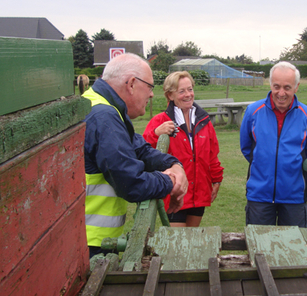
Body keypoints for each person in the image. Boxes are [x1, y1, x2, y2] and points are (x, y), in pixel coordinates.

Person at [82, 53, 188, 258]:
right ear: (131, 84)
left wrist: (173, 164)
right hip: (91, 242)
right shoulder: (105, 117)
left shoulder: (105, 107)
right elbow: (130, 182)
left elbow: (139, 149)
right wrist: (170, 181)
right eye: (149, 87)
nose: (151, 95)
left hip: (95, 237)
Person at [240, 61, 307, 227]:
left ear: (296, 87)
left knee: (294, 248)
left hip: (294, 196)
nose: (281, 93)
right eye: (276, 86)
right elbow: (247, 148)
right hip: (259, 195)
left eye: (287, 87)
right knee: (259, 247)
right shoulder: (253, 112)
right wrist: (264, 162)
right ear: (270, 84)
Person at [142, 71, 224, 227]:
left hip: (199, 193)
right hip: (174, 192)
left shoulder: (204, 121)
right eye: (182, 91)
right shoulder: (160, 121)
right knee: (178, 247)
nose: (188, 94)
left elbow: (212, 156)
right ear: (170, 95)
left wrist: (216, 180)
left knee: (191, 244)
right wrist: (155, 134)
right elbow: (144, 152)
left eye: (190, 89)